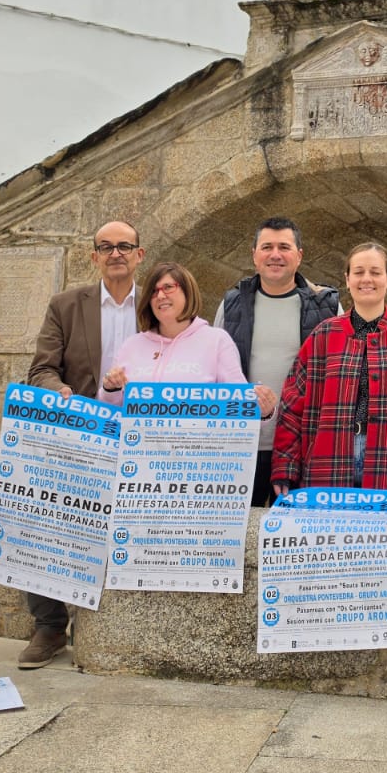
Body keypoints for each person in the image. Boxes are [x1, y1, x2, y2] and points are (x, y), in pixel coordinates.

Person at [19, 218, 145, 669]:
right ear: (93, 256)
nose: (116, 254)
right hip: (79, 436)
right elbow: (41, 368)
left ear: (138, 255)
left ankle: (125, 626)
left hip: (141, 442)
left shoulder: (157, 305)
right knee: (48, 523)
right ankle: (49, 625)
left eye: (124, 246)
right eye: (106, 247)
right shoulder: (66, 305)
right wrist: (57, 390)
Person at [272, 241, 387, 493]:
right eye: (359, 272)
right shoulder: (323, 335)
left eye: (375, 272)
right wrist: (285, 467)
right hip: (327, 458)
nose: (367, 279)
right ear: (347, 279)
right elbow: (292, 404)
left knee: (385, 530)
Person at [214, 218, 339, 505]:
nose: (275, 255)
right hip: (244, 444)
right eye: (267, 247)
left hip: (304, 445)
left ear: (299, 255)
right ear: (254, 255)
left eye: (284, 247)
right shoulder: (232, 304)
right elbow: (216, 370)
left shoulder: (327, 306)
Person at [105, 262, 248, 389]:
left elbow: (239, 403)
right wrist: (110, 389)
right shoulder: (131, 346)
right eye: (153, 291)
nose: (160, 296)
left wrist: (266, 414)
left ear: (187, 292)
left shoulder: (217, 341)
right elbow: (110, 408)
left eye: (168, 287)